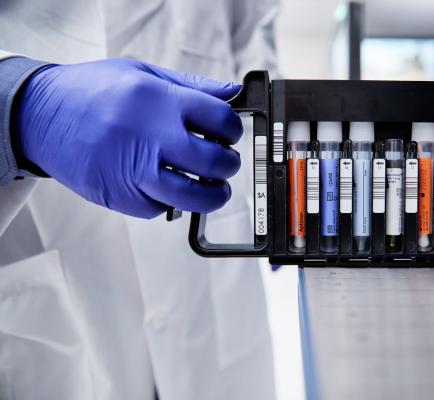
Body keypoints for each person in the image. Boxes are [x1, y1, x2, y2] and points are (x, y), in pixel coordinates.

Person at [0, 1, 279, 399]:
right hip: (32, 277)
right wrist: (22, 107)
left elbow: (252, 27)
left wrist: (279, 146)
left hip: (210, 295)